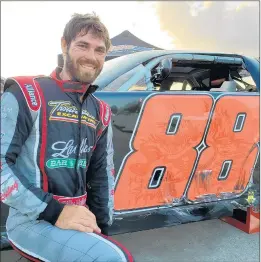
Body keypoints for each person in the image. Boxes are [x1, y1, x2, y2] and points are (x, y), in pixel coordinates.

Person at [1, 13, 134, 262]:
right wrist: (55, 211)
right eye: (82, 45)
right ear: (64, 45)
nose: (91, 57)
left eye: (99, 50)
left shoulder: (101, 111)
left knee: (109, 252)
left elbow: (101, 176)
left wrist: (102, 229)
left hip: (77, 218)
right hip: (30, 220)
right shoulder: (27, 92)